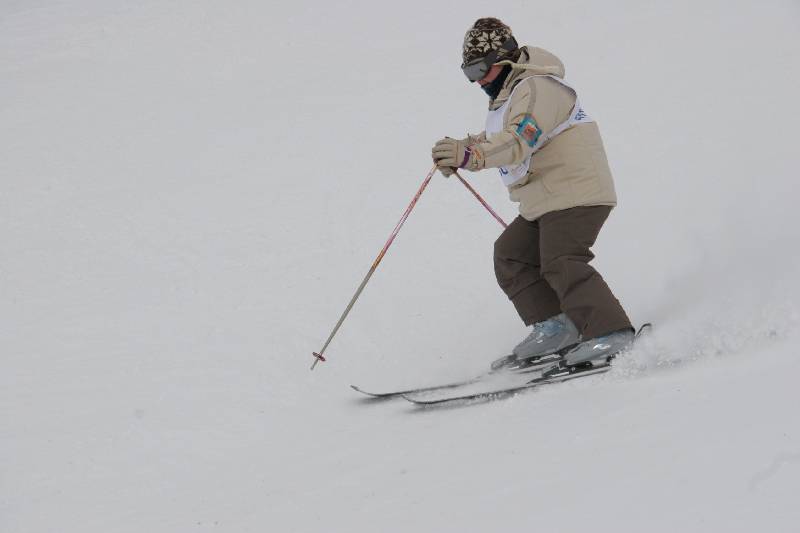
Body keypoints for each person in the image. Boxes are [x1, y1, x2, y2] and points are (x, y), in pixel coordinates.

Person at [431, 17, 634, 369]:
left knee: (561, 259)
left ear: (504, 59)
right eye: (469, 73)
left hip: (576, 192)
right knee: (511, 255)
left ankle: (611, 332)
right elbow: (498, 136)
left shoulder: (539, 87)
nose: (477, 80)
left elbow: (519, 141)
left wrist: (470, 157)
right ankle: (557, 328)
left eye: (480, 69)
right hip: (546, 200)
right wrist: (461, 149)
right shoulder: (510, 95)